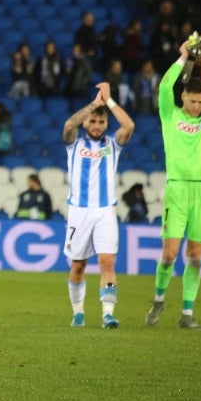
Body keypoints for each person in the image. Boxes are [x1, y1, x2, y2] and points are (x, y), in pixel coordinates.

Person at [146, 40, 201, 330]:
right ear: (183, 97)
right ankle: (159, 299)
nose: (197, 106)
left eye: (200, 101)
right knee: (170, 255)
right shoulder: (169, 114)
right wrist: (182, 56)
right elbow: (163, 87)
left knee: (195, 257)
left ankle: (186, 314)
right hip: (177, 190)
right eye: (192, 101)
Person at [62, 82, 135, 328]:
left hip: (105, 211)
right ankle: (78, 312)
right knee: (78, 266)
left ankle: (107, 314)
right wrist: (95, 104)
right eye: (92, 122)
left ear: (106, 125)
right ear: (86, 123)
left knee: (107, 262)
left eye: (101, 122)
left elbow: (129, 126)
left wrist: (109, 101)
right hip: (79, 212)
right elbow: (69, 125)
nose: (96, 126)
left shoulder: (113, 144)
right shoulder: (74, 144)